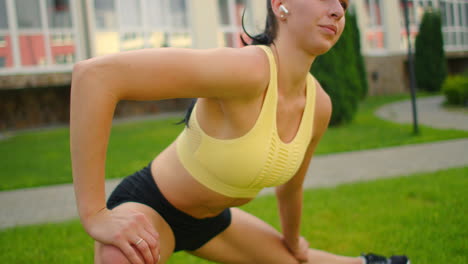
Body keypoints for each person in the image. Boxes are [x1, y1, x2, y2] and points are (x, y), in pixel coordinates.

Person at [70, 0, 410, 263]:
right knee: (122, 256)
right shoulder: (247, 69)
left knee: (293, 260)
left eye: (345, 5)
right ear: (280, 5)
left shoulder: (319, 105)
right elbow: (96, 77)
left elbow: (291, 190)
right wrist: (95, 214)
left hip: (215, 221)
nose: (337, 10)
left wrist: (292, 240)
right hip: (151, 207)